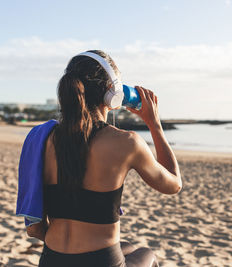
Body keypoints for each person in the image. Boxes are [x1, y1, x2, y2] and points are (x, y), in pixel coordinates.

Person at [25, 50, 182, 267]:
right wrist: (154, 124)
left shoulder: (42, 139)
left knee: (128, 247)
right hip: (100, 262)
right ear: (113, 93)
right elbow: (173, 184)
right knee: (146, 253)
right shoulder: (127, 142)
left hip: (52, 260)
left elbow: (36, 228)